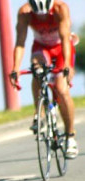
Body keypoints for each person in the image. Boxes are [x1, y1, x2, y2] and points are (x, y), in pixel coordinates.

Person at [9, 0, 78, 159]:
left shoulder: (61, 8)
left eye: (45, 14)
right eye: (38, 16)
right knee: (37, 70)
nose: (42, 18)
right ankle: (39, 115)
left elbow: (65, 37)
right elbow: (20, 41)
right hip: (41, 48)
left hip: (62, 48)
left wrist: (67, 64)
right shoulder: (24, 12)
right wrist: (15, 67)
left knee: (61, 89)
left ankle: (70, 137)